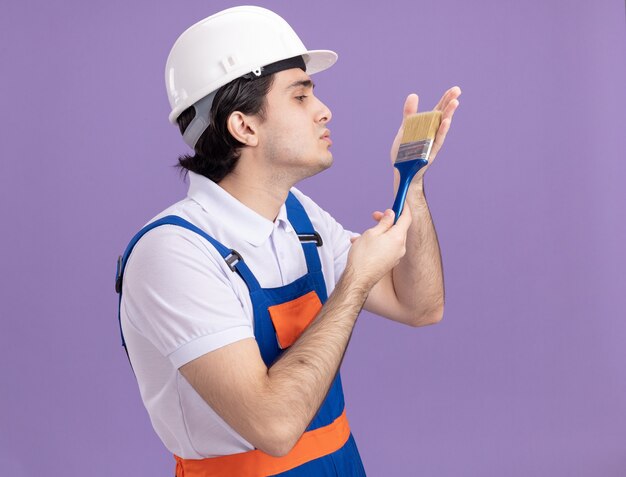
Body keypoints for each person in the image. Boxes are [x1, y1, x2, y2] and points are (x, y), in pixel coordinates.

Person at [116, 5, 460, 476]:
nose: (324, 110)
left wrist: (411, 182)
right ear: (244, 126)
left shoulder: (298, 216)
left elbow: (421, 307)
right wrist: (355, 281)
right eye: (300, 97)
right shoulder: (175, 253)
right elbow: (275, 427)